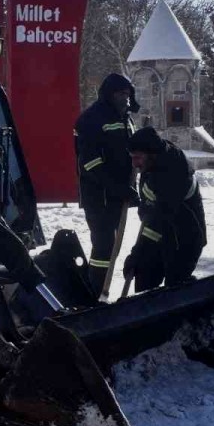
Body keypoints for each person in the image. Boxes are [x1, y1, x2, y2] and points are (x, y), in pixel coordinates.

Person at [74, 73, 140, 296]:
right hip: (98, 194)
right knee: (103, 244)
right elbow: (89, 162)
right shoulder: (92, 119)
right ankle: (95, 291)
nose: (126, 98)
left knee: (111, 244)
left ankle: (101, 289)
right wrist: (117, 187)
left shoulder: (125, 119)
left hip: (119, 195)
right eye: (121, 94)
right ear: (110, 94)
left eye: (127, 94)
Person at [122, 126, 207, 292]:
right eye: (132, 158)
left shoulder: (173, 171)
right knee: (144, 278)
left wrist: (137, 253)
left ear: (152, 154)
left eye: (138, 158)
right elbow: (151, 213)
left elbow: (158, 218)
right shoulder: (153, 160)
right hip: (161, 232)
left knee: (174, 291)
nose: (134, 164)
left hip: (183, 239)